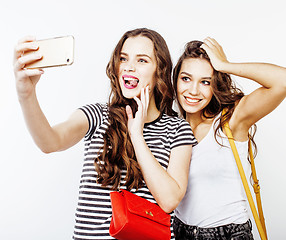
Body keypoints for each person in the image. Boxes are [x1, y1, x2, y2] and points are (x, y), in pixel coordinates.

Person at [13, 28, 197, 240]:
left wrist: (137, 136)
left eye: (142, 60)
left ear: (160, 71)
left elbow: (169, 200)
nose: (128, 67)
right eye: (123, 58)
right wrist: (26, 94)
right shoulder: (97, 115)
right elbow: (50, 142)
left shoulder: (177, 129)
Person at [172, 37, 286, 239]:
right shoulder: (171, 127)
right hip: (179, 231)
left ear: (215, 85)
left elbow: (282, 81)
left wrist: (225, 65)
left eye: (205, 82)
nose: (193, 90)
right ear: (176, 80)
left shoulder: (230, 121)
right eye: (186, 78)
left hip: (226, 234)